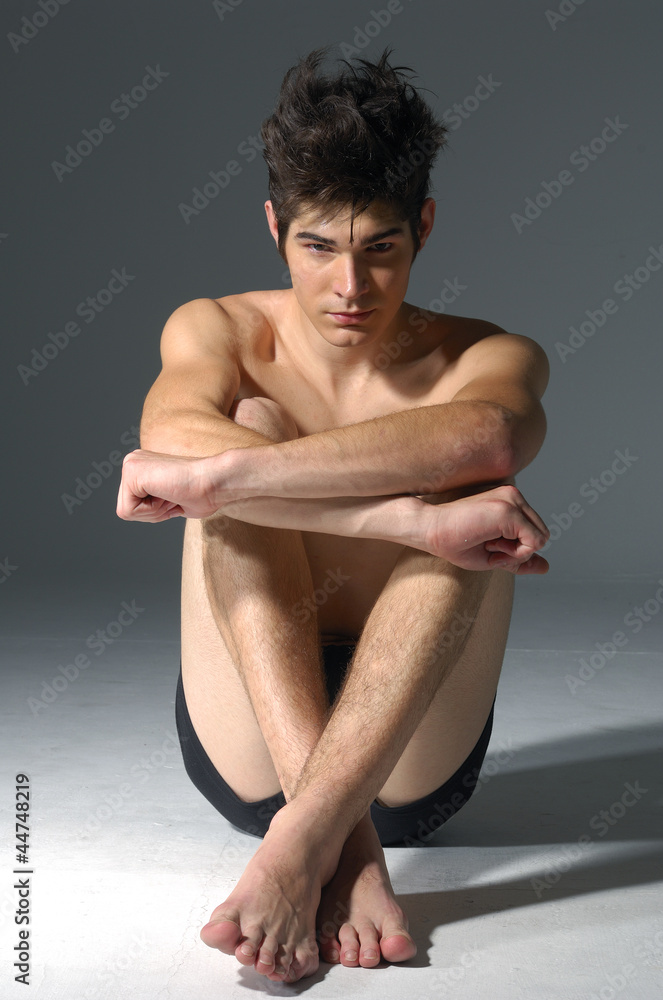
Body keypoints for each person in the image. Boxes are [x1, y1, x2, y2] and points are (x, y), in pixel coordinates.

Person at [116, 47, 550, 985]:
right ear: (275, 228)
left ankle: (304, 838)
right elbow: (171, 430)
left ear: (423, 227)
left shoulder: (486, 352)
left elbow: (489, 433)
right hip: (252, 736)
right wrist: (398, 521)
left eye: (379, 248)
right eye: (318, 247)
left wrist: (237, 481)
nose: (349, 289)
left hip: (411, 757)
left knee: (460, 484)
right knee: (251, 421)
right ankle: (336, 846)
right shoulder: (219, 329)